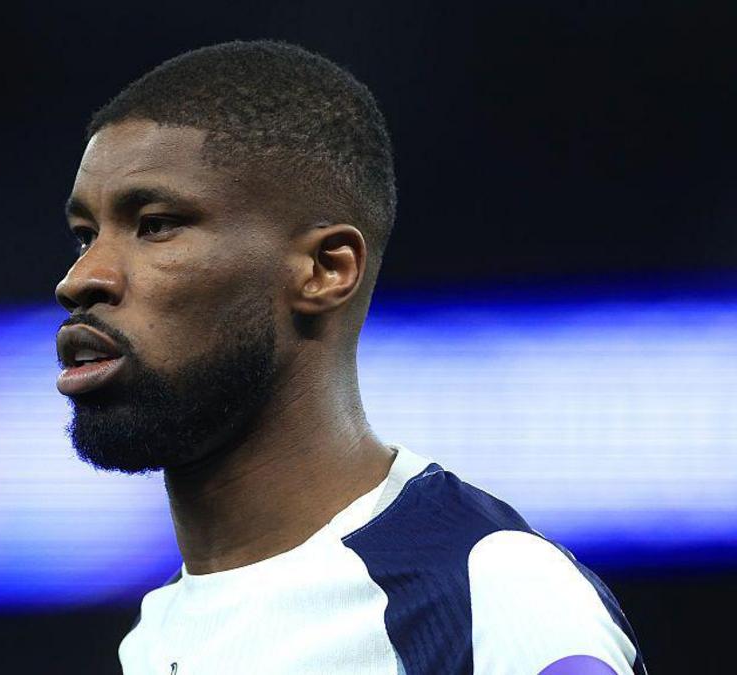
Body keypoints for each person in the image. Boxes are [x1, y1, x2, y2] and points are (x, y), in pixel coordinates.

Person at [53, 40, 644, 674]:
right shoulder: (153, 637)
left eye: (155, 224)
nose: (80, 279)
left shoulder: (491, 592)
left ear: (324, 269)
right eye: (85, 236)